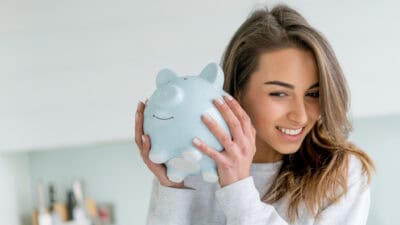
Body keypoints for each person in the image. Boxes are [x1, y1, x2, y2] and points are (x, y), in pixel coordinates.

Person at [134, 4, 374, 225]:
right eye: (279, 94)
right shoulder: (195, 164)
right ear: (237, 89)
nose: (300, 116)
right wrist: (171, 188)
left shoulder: (341, 175)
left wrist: (237, 188)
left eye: (313, 94)